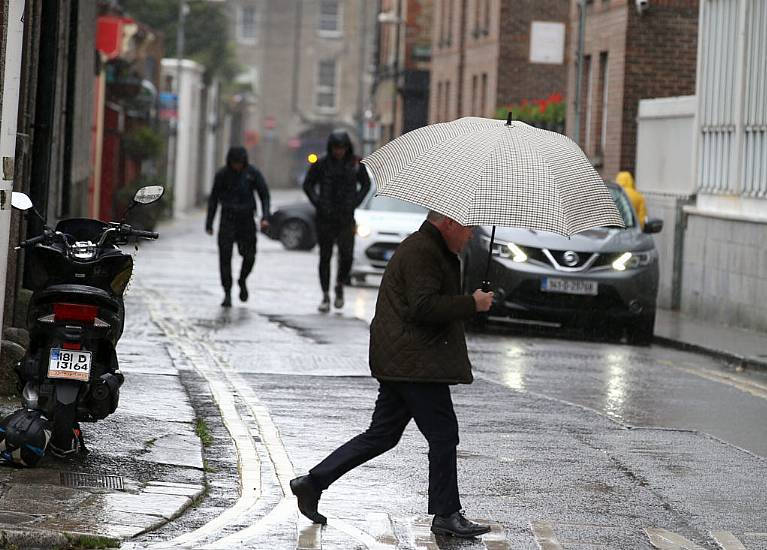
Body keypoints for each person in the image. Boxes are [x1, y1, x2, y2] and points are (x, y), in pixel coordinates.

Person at [290, 211, 495, 539]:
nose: (471, 235)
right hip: (416, 362)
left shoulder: (431, 249)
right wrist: (471, 303)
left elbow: (428, 305)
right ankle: (446, 513)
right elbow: (423, 307)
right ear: (448, 224)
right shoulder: (422, 252)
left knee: (382, 435)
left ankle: (312, 483)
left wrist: (471, 304)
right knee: (443, 435)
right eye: (467, 228)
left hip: (407, 358)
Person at [302, 130, 370, 313]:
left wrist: (355, 201)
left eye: (342, 148)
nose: (339, 152)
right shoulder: (322, 164)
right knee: (325, 256)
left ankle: (339, 285)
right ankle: (325, 294)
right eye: (335, 148)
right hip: (325, 217)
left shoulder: (356, 164)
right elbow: (308, 185)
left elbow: (366, 185)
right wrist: (318, 202)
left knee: (346, 255)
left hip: (346, 217)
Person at [206, 146, 271, 307]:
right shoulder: (222, 175)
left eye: (240, 163)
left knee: (249, 256)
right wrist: (209, 222)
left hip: (246, 220)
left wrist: (265, 217)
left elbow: (264, 195)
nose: (237, 166)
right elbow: (213, 199)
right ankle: (227, 292)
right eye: (234, 163)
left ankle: (242, 280)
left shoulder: (252, 173)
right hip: (227, 219)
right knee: (225, 257)